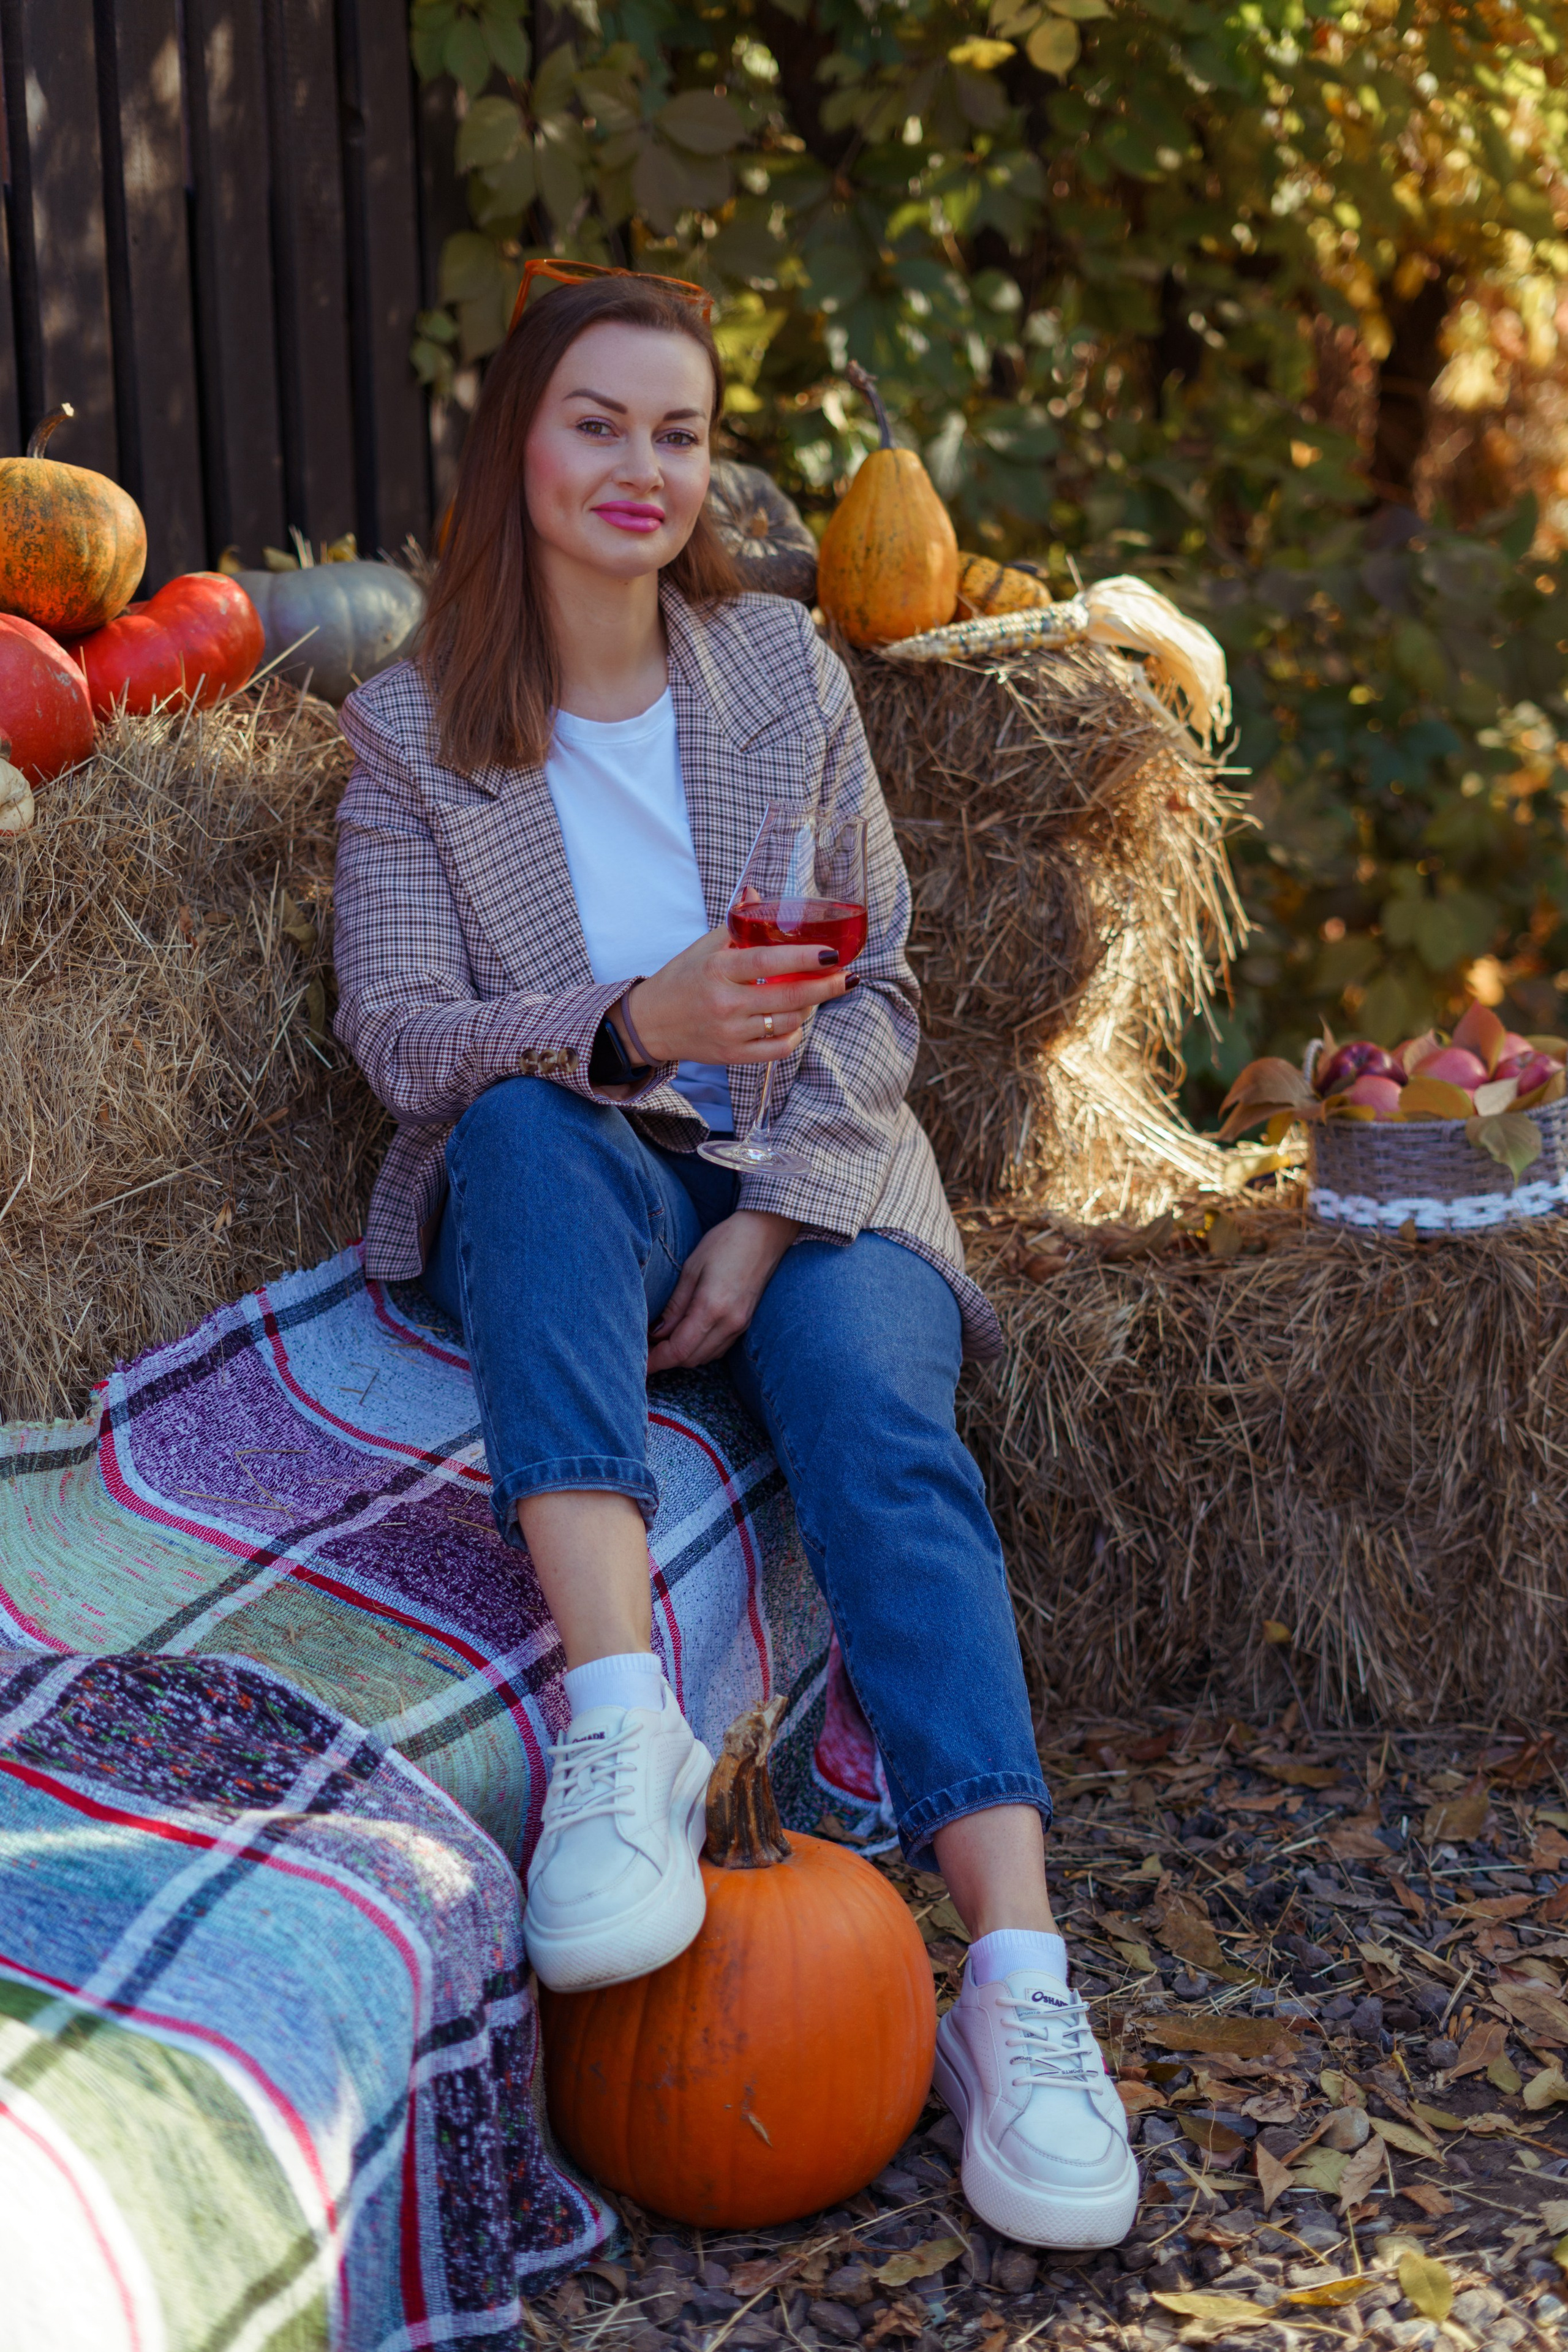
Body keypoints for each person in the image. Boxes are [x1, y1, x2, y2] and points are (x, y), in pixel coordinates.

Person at [333, 265, 1136, 2251]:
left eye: (678, 433)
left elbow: (885, 992)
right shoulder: (411, 730)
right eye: (598, 422)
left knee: (883, 1425)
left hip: (816, 1172)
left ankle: (1021, 1997)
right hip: (582, 1156)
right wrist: (629, 1026)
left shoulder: (783, 674)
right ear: (519, 438)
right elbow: (402, 1029)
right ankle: (625, 1729)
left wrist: (775, 1220)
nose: (640, 466)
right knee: (517, 1122)